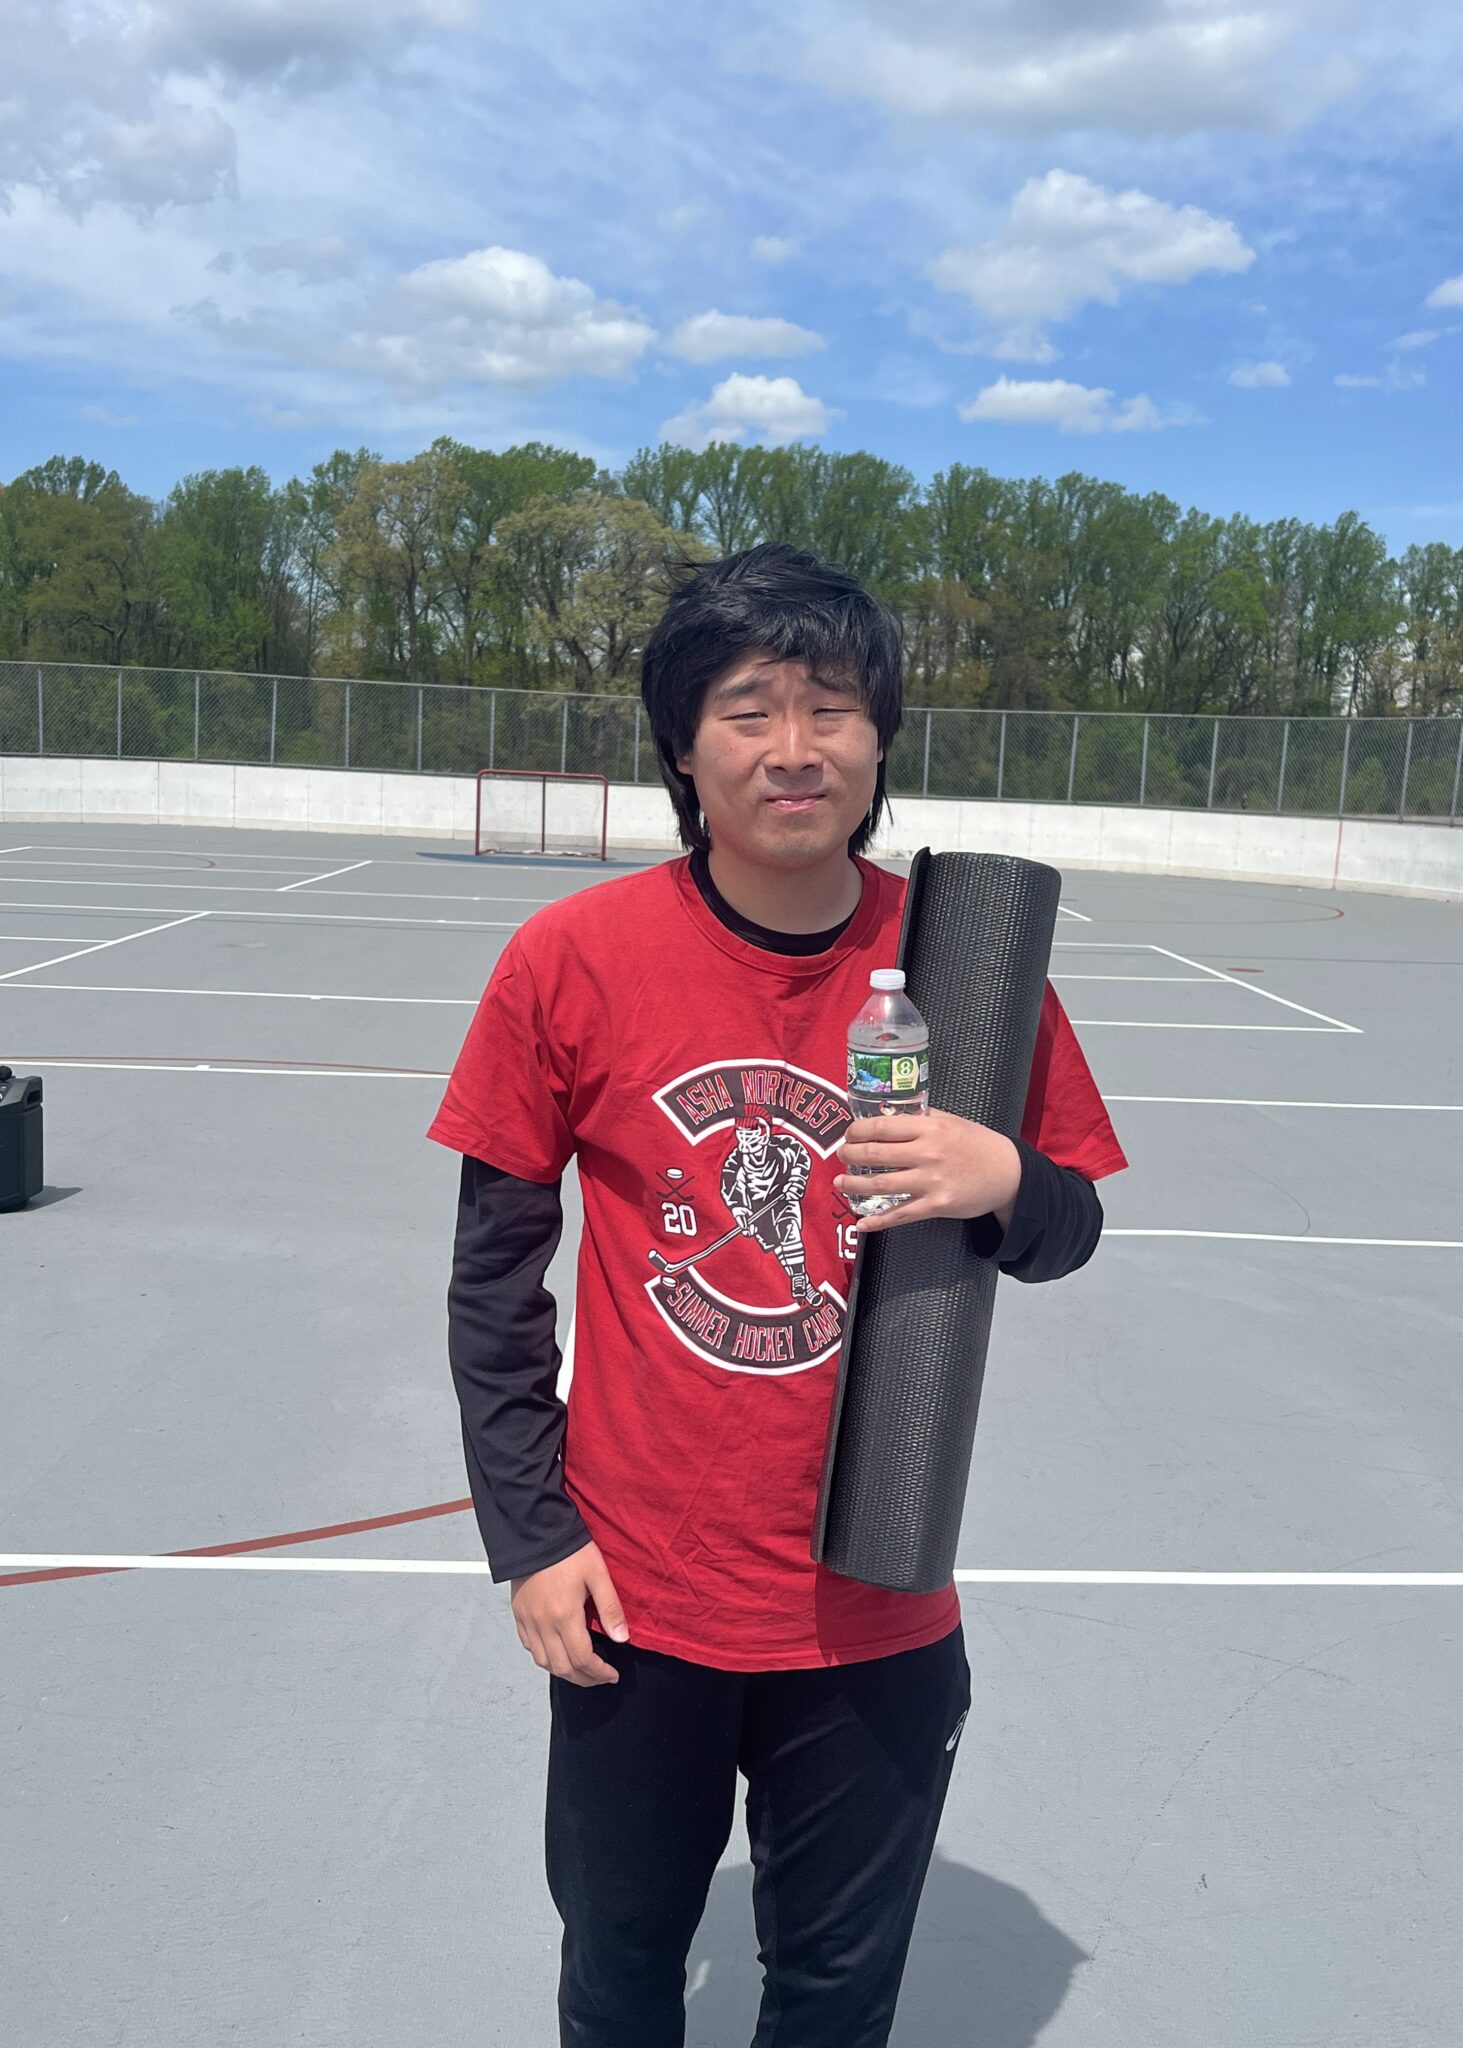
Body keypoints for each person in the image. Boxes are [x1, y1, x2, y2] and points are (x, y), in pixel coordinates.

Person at [428, 543, 1128, 2047]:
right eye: (749, 709)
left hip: (878, 1601)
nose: (795, 749)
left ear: (881, 740)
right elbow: (492, 1284)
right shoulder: (572, 958)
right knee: (619, 1984)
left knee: (832, 2003)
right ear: (685, 747)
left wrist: (998, 1171)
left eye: (833, 706)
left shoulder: (970, 963)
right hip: (638, 1601)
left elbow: (1067, 1227)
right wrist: (532, 1540)